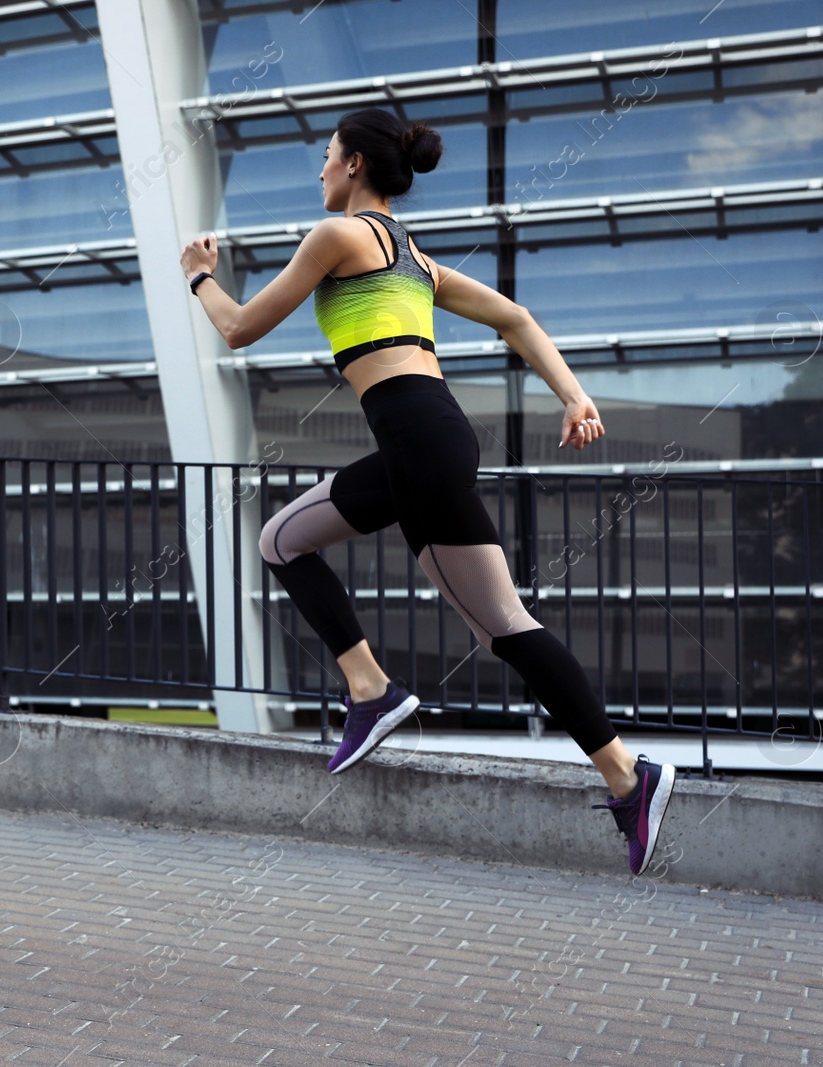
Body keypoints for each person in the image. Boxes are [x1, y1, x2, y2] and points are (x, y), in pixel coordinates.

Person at [179, 107, 674, 875]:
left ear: (353, 168)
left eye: (326, 155)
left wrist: (199, 277)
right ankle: (619, 774)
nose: (319, 169)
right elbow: (514, 315)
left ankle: (377, 691)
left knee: (285, 542)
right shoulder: (413, 256)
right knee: (499, 621)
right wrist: (573, 395)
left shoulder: (337, 236)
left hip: (415, 438)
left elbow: (240, 328)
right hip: (436, 435)